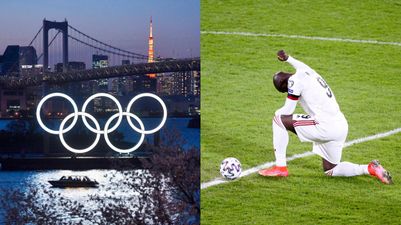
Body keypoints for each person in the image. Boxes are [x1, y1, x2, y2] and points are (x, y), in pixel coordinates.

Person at [258, 50, 392, 184]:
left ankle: (280, 167)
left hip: (324, 126)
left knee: (278, 120)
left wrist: (276, 112)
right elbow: (298, 64)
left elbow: (288, 110)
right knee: (331, 169)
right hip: (341, 125)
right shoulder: (305, 71)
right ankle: (369, 169)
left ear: (284, 87)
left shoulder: (293, 82)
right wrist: (288, 58)